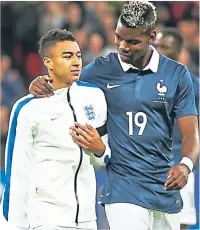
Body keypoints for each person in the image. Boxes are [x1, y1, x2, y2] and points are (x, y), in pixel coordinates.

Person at [29, 1, 199, 230]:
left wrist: (185, 165)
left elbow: (191, 134)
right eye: (119, 37)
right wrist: (42, 82)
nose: (123, 46)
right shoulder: (102, 69)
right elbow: (64, 85)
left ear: (152, 37)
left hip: (164, 186)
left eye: (133, 41)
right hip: (122, 187)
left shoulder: (176, 74)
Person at [2, 29, 111, 230]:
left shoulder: (94, 97)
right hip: (46, 216)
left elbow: (103, 160)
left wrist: (100, 149)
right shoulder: (28, 108)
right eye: (67, 56)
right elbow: (16, 172)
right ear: (48, 62)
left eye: (78, 55)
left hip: (87, 218)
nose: (77, 62)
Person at [154, 27, 199, 230]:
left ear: (179, 50)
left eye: (165, 47)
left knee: (179, 222)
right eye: (157, 46)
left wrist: (188, 163)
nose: (159, 51)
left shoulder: (193, 86)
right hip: (148, 165)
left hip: (179, 164)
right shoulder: (143, 80)